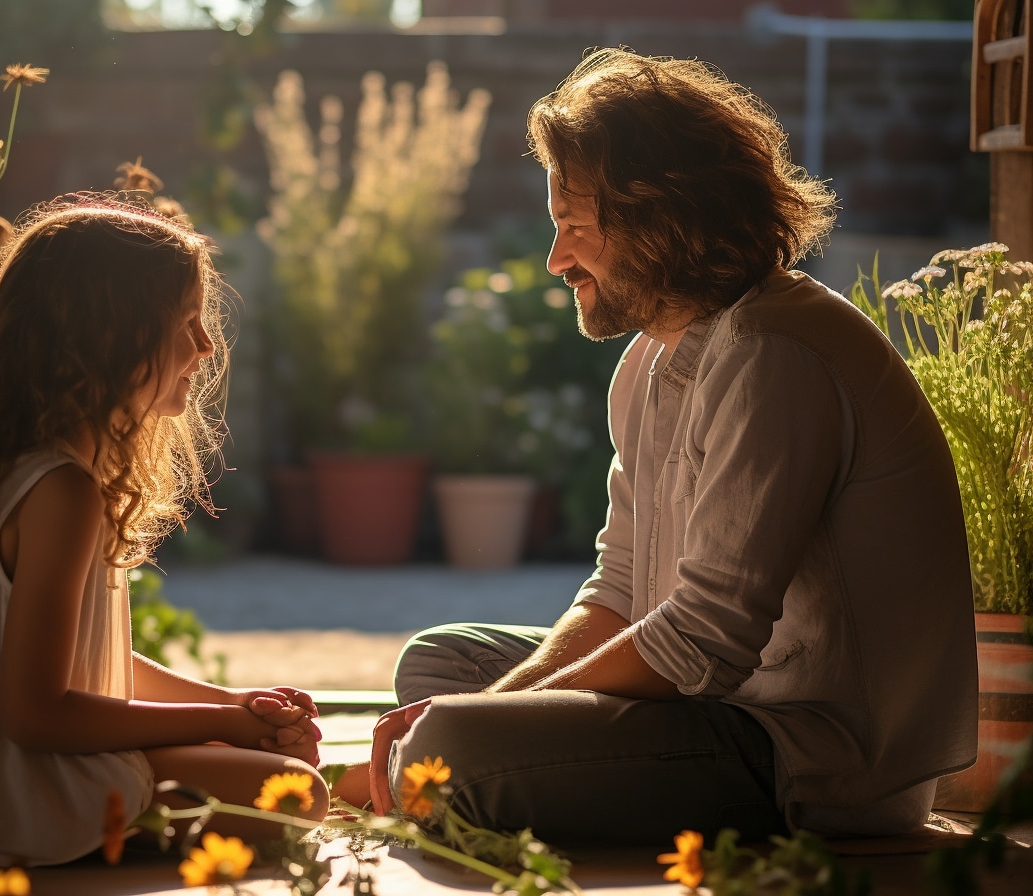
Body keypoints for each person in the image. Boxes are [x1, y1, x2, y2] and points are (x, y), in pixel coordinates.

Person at [342, 48, 979, 843]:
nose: (555, 259)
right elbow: (619, 592)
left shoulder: (776, 353)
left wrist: (490, 723)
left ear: (659, 217)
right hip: (712, 703)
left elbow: (704, 639)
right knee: (440, 669)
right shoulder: (652, 358)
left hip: (806, 755)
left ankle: (477, 763)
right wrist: (497, 707)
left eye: (575, 228)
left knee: (451, 741)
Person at [0, 194, 328, 869]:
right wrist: (223, 724)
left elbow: (74, 666)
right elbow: (38, 715)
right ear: (110, 336)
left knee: (241, 758)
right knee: (298, 794)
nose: (207, 347)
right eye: (186, 322)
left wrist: (233, 704)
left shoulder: (10, 468)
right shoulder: (61, 489)